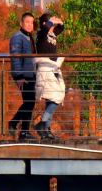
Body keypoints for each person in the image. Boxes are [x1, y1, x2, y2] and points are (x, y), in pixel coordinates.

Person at [34, 12, 67, 141]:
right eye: (51, 23)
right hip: (46, 69)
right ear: (45, 24)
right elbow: (45, 29)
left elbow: (61, 28)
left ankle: (46, 131)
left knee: (51, 101)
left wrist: (60, 21)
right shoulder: (41, 34)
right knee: (56, 98)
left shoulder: (51, 34)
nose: (53, 27)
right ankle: (42, 124)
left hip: (51, 69)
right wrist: (50, 22)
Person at [9, 12, 38, 140]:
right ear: (21, 23)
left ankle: (24, 132)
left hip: (30, 74)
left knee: (30, 102)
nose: (30, 25)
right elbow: (15, 58)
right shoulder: (17, 37)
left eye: (32, 23)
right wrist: (19, 76)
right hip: (23, 75)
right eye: (27, 22)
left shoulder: (28, 37)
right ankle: (14, 123)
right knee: (29, 101)